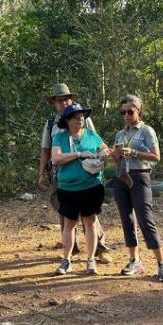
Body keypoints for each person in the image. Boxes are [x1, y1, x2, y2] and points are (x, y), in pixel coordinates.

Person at [38, 83, 110, 263]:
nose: (63, 103)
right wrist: (41, 173)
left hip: (87, 173)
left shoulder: (83, 119)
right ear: (54, 103)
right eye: (59, 100)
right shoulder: (51, 124)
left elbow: (95, 142)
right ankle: (71, 250)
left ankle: (99, 249)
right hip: (60, 173)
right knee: (65, 212)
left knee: (90, 214)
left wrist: (100, 159)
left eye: (66, 99)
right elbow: (46, 150)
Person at [110, 94, 163, 282]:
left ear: (139, 111)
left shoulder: (146, 131)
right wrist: (115, 153)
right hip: (121, 178)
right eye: (123, 112)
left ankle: (162, 264)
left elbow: (156, 157)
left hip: (140, 177)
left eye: (130, 111)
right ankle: (134, 260)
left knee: (145, 220)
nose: (127, 115)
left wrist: (135, 152)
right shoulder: (120, 134)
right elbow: (116, 159)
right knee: (127, 220)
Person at [51, 103, 110, 275]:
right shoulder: (60, 137)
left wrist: (104, 153)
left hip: (91, 186)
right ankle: (66, 261)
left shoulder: (91, 135)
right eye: (76, 117)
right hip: (68, 188)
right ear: (67, 121)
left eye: (82, 116)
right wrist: (78, 154)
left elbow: (104, 148)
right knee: (69, 224)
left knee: (90, 222)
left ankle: (91, 260)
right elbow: (56, 158)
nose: (80, 119)